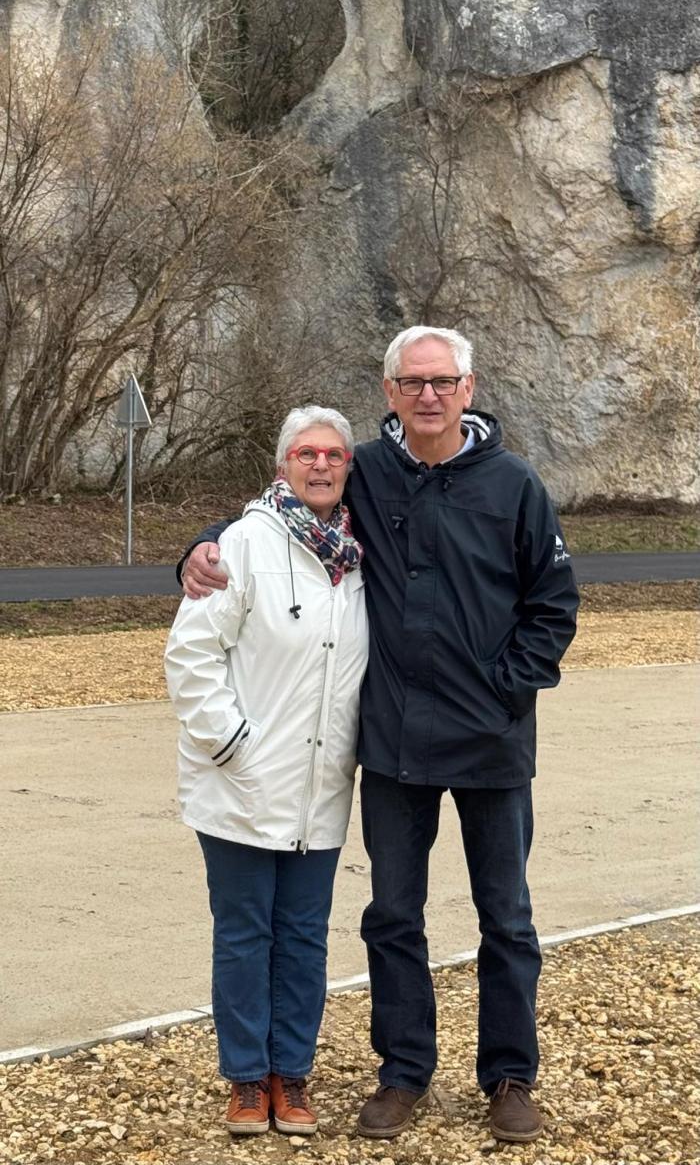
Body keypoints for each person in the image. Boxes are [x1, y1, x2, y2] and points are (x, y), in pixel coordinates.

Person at [177, 327, 579, 1144]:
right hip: (395, 744)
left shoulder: (514, 485)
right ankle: (403, 1072)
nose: (427, 395)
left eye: (442, 381)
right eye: (411, 382)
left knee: (506, 915)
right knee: (394, 915)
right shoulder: (369, 469)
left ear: (469, 388)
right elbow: (281, 505)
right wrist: (199, 547)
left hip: (493, 742)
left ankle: (509, 1076)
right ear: (389, 391)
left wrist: (507, 687)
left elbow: (554, 604)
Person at [164, 406, 368, 1138]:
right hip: (242, 783)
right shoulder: (242, 545)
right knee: (246, 933)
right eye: (306, 453)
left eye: (334, 455)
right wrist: (233, 746)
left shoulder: (357, 558)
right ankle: (248, 1079)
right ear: (282, 466)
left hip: (321, 788)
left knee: (306, 935)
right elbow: (191, 657)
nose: (320, 466)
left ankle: (294, 1071)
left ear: (349, 468)